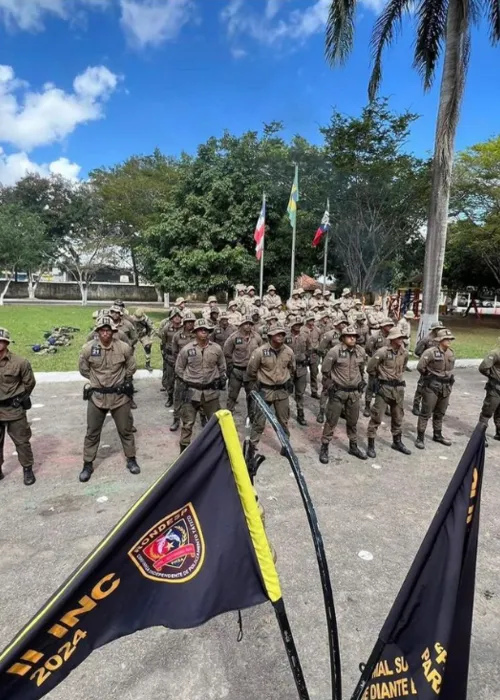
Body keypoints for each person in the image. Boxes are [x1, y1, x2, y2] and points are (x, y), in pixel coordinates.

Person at [78, 315, 139, 482]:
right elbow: (83, 369)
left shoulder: (123, 348)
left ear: (113, 332)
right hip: (97, 396)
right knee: (92, 432)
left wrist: (121, 381)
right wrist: (96, 381)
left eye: (108, 330)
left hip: (119, 396)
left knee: (125, 430)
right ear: (97, 332)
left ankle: (131, 459)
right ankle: (88, 463)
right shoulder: (88, 349)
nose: (105, 333)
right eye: (102, 330)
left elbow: (131, 366)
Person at [175, 319, 226, 453]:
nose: (204, 331)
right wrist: (189, 380)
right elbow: (179, 368)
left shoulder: (216, 349)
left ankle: (216, 450)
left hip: (211, 392)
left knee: (215, 423)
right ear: (195, 332)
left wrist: (219, 379)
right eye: (201, 329)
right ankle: (183, 452)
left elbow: (222, 367)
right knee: (187, 424)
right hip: (191, 392)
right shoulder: (187, 349)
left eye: (206, 329)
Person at [319, 325, 367, 464]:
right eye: (349, 336)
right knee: (331, 421)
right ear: (343, 338)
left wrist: (361, 382)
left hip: (354, 394)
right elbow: (325, 371)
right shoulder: (334, 352)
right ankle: (324, 447)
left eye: (355, 336)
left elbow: (361, 369)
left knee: (353, 421)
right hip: (338, 393)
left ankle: (353, 446)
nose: (353, 338)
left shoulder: (360, 352)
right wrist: (331, 385)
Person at [247, 325, 295, 454]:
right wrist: (261, 381)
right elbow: (251, 371)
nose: (280, 336)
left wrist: (285, 378)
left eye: (282, 334)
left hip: (282, 391)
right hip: (264, 390)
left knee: (283, 421)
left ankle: (286, 445)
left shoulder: (289, 352)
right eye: (277, 334)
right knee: (259, 421)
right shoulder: (259, 352)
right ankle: (252, 446)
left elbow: (291, 368)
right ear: (270, 336)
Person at [366, 327, 411, 458]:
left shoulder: (404, 353)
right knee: (376, 417)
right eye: (399, 338)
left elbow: (403, 368)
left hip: (398, 390)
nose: (401, 340)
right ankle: (371, 445)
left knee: (398, 417)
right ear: (392, 339)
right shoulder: (382, 352)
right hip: (384, 389)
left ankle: (397, 442)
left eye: (402, 338)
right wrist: (380, 378)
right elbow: (370, 368)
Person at [0, 328, 36, 486]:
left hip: (14, 408)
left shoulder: (20, 362)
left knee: (22, 441)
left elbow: (30, 383)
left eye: (1, 341)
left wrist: (19, 398)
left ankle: (27, 468)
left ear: (7, 342)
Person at [415, 329, 456, 449]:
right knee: (426, 412)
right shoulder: (430, 352)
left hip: (446, 387)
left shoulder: (451, 353)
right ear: (440, 340)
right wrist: (429, 377)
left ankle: (437, 434)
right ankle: (420, 437)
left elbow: (450, 368)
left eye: (450, 339)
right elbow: (420, 367)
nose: (449, 341)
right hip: (432, 386)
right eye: (446, 339)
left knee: (440, 412)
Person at [224, 316, 262, 414]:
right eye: (246, 323)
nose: (248, 326)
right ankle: (229, 415)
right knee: (232, 395)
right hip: (237, 370)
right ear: (241, 325)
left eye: (250, 324)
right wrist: (230, 366)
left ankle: (251, 416)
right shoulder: (234, 337)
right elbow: (227, 352)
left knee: (251, 395)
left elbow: (261, 351)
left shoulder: (257, 337)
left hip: (251, 371)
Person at [316, 318, 349, 424]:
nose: (343, 325)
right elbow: (320, 349)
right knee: (326, 389)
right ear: (336, 324)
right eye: (341, 323)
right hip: (330, 365)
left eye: (345, 323)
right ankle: (321, 412)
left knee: (344, 389)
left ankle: (342, 410)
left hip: (343, 366)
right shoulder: (329, 335)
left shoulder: (349, 335)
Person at [169, 312, 196, 432]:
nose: (190, 324)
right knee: (178, 396)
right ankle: (176, 419)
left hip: (196, 371)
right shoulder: (177, 336)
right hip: (181, 371)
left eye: (192, 322)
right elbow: (174, 353)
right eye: (188, 322)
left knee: (199, 396)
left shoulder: (197, 334)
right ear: (184, 323)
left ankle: (203, 417)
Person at [412, 321, 445, 415]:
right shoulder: (427, 339)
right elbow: (417, 351)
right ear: (434, 330)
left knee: (435, 386)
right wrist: (425, 359)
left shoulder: (441, 339)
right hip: (427, 366)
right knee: (421, 386)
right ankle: (416, 405)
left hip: (437, 367)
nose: (440, 330)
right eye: (438, 329)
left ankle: (432, 405)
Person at [363, 318, 395, 417]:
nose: (390, 327)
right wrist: (374, 358)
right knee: (371, 386)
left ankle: (385, 406)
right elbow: (368, 349)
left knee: (387, 386)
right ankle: (367, 406)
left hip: (387, 366)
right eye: (388, 325)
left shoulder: (392, 337)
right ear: (382, 326)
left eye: (391, 325)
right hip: (376, 364)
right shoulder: (375, 336)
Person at [287, 316, 311, 426]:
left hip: (301, 368)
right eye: (295, 325)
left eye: (299, 325)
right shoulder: (286, 336)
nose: (297, 327)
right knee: (286, 392)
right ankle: (284, 414)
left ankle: (300, 414)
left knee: (300, 393)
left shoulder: (305, 336)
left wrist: (307, 358)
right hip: (288, 368)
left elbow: (309, 349)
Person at [160, 309, 183, 402]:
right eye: (175, 316)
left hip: (182, 357)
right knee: (170, 379)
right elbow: (163, 343)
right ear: (171, 319)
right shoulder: (166, 328)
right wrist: (165, 355)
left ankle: (183, 398)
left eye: (178, 316)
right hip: (170, 357)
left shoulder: (184, 328)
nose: (177, 318)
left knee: (183, 378)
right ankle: (170, 397)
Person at [478, 342, 500, 441]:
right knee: (487, 411)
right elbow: (483, 367)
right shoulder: (495, 353)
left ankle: (499, 432)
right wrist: (492, 376)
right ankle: (480, 435)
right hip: (495, 388)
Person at [304, 314, 321, 399]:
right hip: (304, 354)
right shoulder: (302, 330)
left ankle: (314, 391)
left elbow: (321, 341)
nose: (312, 322)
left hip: (314, 354)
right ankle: (300, 391)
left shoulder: (317, 330)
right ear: (307, 321)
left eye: (313, 320)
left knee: (314, 373)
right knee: (301, 374)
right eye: (310, 320)